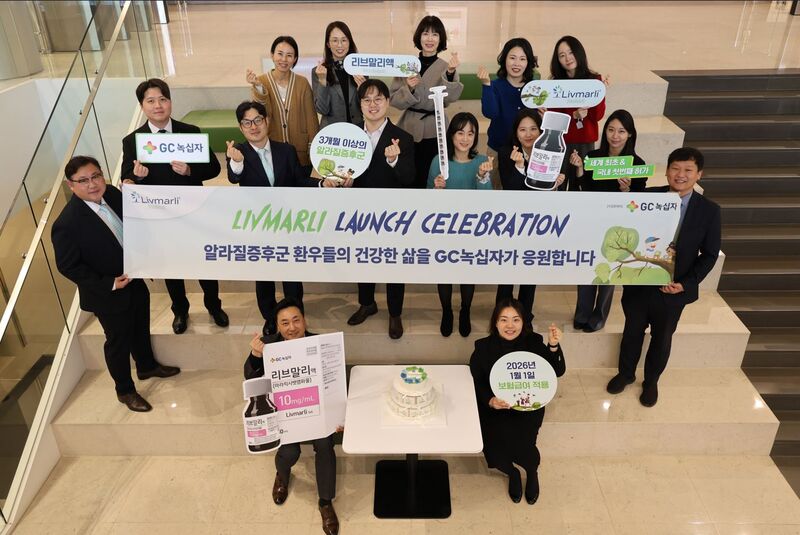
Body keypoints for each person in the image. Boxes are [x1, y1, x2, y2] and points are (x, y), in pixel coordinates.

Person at [52, 156, 180, 412]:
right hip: (107, 293)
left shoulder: (111, 193)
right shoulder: (66, 224)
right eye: (83, 180)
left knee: (141, 326)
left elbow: (134, 223)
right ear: (71, 185)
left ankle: (146, 366)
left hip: (134, 277)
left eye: (96, 176)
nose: (92, 184)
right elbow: (68, 266)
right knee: (118, 342)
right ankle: (125, 390)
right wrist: (108, 283)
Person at [607, 147, 721, 407]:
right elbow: (626, 223)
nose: (681, 174)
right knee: (632, 332)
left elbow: (709, 255)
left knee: (662, 339)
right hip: (640, 284)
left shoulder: (709, 211)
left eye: (688, 170)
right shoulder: (647, 197)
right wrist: (625, 196)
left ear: (699, 175)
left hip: (673, 290)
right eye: (675, 168)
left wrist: (685, 284)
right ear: (667, 171)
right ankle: (625, 374)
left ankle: (651, 382)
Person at [121, 78, 228, 336]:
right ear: (142, 106)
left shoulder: (190, 131)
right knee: (171, 266)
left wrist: (190, 170)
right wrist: (136, 178)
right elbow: (126, 178)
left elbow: (214, 168)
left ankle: (214, 305)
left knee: (204, 262)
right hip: (160, 215)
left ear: (170, 101)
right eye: (151, 101)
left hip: (194, 211)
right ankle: (180, 310)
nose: (158, 105)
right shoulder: (133, 140)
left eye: (163, 99)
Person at [324, 79, 414, 339]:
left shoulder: (403, 138)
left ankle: (395, 312)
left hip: (391, 216)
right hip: (359, 214)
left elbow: (410, 179)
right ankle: (367, 303)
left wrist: (394, 160)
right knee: (363, 259)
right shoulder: (348, 137)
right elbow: (340, 174)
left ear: (387, 102)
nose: (373, 105)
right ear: (360, 104)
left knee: (393, 264)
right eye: (367, 100)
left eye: (378, 99)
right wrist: (342, 181)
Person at [243, 298, 339, 535]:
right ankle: (282, 475)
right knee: (289, 452)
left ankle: (325, 502)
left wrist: (339, 416)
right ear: (277, 326)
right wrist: (255, 355)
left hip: (317, 413)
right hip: (284, 414)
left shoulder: (321, 344)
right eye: (285, 323)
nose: (292, 327)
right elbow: (251, 381)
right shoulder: (267, 346)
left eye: (296, 320)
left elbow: (335, 383)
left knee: (325, 445)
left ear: (305, 320)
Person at [226, 100, 320, 335]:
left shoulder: (285, 150)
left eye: (258, 120)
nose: (254, 126)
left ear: (267, 121)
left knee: (292, 275)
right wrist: (236, 162)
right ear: (240, 127)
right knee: (264, 276)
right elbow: (234, 177)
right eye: (247, 123)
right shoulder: (238, 153)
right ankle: (270, 319)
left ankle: (296, 316)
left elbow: (299, 180)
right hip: (259, 226)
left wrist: (321, 183)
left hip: (287, 223)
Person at [469, 298, 565, 504]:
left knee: (525, 447)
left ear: (523, 322)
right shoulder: (483, 347)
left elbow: (557, 371)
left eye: (516, 319)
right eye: (504, 320)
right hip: (496, 410)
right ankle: (511, 473)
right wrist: (490, 400)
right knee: (494, 447)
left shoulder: (534, 343)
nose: (510, 325)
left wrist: (553, 346)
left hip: (527, 410)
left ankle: (531, 472)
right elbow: (476, 380)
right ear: (495, 323)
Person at [569, 109, 647, 333]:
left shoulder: (637, 164)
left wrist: (627, 191)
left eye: (621, 131)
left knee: (609, 271)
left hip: (619, 228)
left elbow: (638, 204)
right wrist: (580, 169)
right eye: (611, 130)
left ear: (630, 134)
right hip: (593, 222)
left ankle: (599, 315)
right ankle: (582, 312)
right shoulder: (593, 158)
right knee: (587, 268)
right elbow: (583, 191)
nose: (615, 136)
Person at [495, 109, 565, 326]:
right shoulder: (506, 152)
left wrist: (556, 185)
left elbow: (556, 195)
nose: (528, 134)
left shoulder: (552, 152)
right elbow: (510, 188)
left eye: (533, 129)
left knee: (529, 273)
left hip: (539, 223)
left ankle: (524, 317)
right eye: (522, 129)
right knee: (507, 274)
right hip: (513, 223)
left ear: (541, 131)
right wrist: (519, 167)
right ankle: (501, 315)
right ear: (515, 132)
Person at [427, 112, 493, 337]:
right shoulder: (438, 161)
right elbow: (427, 200)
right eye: (460, 133)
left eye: (470, 133)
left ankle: (465, 310)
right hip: (444, 230)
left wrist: (482, 177)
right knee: (444, 273)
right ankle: (447, 311)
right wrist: (436, 189)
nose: (465, 138)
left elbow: (487, 201)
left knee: (467, 273)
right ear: (451, 135)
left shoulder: (481, 161)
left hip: (471, 230)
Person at [390, 15, 463, 189]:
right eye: (425, 33)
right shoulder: (406, 66)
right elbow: (394, 100)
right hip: (409, 127)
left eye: (435, 34)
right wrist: (408, 88)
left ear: (441, 39)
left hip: (435, 128)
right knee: (407, 174)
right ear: (419, 37)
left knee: (432, 174)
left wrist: (450, 73)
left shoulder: (446, 67)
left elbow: (452, 97)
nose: (430, 39)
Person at [247, 36, 319, 168]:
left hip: (300, 151)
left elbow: (311, 119)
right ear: (272, 55)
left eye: (289, 55)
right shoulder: (261, 82)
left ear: (295, 59)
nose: (284, 59)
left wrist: (313, 147)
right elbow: (261, 115)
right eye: (280, 54)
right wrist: (258, 88)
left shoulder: (302, 83)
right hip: (272, 150)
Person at [478, 37, 539, 189]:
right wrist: (486, 85)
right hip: (497, 149)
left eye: (522, 59)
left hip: (528, 151)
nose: (517, 63)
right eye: (512, 58)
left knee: (526, 191)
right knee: (495, 190)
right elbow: (490, 113)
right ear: (504, 59)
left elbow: (539, 124)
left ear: (528, 62)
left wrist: (543, 115)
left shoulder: (535, 88)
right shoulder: (495, 85)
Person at [547, 35, 606, 191]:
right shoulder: (555, 84)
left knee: (582, 185)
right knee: (558, 183)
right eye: (562, 55)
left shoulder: (595, 80)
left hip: (585, 142)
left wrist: (600, 93)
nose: (567, 58)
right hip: (561, 142)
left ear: (579, 52)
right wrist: (573, 116)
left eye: (571, 52)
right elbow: (554, 118)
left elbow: (598, 116)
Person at [312, 21, 365, 128]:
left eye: (344, 40)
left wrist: (362, 90)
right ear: (328, 44)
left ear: (349, 42)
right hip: (331, 131)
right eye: (335, 40)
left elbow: (365, 108)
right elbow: (322, 109)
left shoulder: (360, 69)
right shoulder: (318, 71)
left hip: (357, 129)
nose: (340, 45)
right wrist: (322, 81)